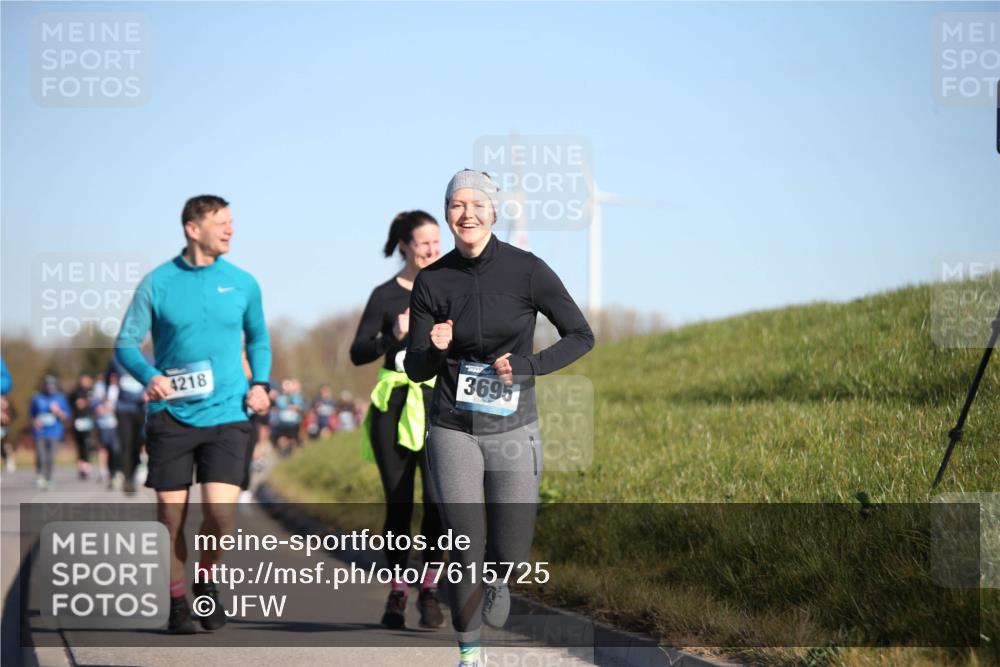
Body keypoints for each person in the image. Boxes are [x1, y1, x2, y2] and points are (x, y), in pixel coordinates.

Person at [405, 170, 594, 667]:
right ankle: (471, 655)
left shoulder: (528, 271)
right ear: (447, 214)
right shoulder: (432, 280)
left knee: (509, 552)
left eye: (476, 204)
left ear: (493, 211)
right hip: (453, 428)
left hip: (514, 429)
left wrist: (529, 366)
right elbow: (415, 366)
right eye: (456, 205)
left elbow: (580, 335)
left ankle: (499, 578)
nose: (467, 214)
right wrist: (432, 348)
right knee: (464, 545)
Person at [115, 194, 271, 634]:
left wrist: (261, 383)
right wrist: (149, 375)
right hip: (171, 416)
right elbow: (126, 344)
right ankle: (178, 600)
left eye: (231, 222)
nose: (230, 230)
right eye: (221, 222)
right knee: (170, 517)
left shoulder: (243, 282)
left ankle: (205, 582)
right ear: (192, 228)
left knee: (220, 517)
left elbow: (258, 338)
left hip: (228, 414)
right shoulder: (157, 283)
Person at [351, 210, 446, 629]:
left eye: (436, 243)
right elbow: (358, 353)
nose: (432, 249)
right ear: (405, 245)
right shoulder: (384, 295)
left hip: (438, 405)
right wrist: (395, 336)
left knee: (439, 504)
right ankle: (396, 591)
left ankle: (429, 588)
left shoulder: (449, 288)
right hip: (392, 406)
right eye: (424, 243)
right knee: (398, 503)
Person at [109, 357, 147, 494]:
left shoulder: (148, 359)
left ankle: (135, 470)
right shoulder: (116, 361)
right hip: (123, 409)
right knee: (126, 444)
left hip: (141, 409)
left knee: (138, 444)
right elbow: (108, 379)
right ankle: (128, 477)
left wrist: (149, 392)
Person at [29, 375, 70, 490]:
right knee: (41, 456)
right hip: (40, 432)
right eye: (47, 384)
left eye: (52, 384)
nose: (49, 387)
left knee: (51, 457)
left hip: (55, 431)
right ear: (43, 385)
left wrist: (58, 411)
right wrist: (34, 422)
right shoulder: (37, 398)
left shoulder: (60, 398)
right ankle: (40, 474)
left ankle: (49, 478)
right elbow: (32, 415)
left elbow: (66, 416)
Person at [69, 374, 97, 479]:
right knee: (80, 444)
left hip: (88, 421)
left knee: (87, 444)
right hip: (78, 421)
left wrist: (85, 402)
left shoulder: (91, 392)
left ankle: (87, 465)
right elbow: (69, 403)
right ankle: (81, 467)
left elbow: (94, 403)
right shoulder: (75, 392)